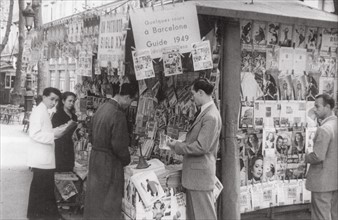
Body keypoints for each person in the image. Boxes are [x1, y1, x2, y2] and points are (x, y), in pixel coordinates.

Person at [167, 78, 222, 220]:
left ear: (201, 92)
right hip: (195, 177)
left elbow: (201, 147)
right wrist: (180, 142)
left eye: (193, 94)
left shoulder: (210, 116)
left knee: (204, 216)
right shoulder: (206, 112)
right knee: (194, 216)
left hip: (200, 177)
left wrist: (178, 146)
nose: (192, 98)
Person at [84, 82, 138, 220]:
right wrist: (127, 159)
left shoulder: (102, 108)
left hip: (96, 159)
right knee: (109, 200)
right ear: (126, 97)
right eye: (131, 100)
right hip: (109, 162)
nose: (129, 104)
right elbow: (119, 145)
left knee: (96, 198)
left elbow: (90, 134)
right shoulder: (118, 114)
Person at [27, 87, 77, 220]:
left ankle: (43, 214)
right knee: (41, 188)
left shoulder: (44, 111)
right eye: (52, 99)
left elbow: (45, 130)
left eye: (56, 100)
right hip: (41, 158)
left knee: (44, 188)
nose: (54, 102)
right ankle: (40, 215)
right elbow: (34, 134)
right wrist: (54, 135)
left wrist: (57, 131)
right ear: (44, 97)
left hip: (45, 157)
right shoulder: (39, 112)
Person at [305, 94, 337, 220]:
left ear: (328, 107)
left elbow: (318, 156)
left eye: (317, 106)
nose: (315, 110)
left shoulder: (324, 129)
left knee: (320, 216)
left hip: (322, 182)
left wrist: (306, 157)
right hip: (335, 181)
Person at [51, 92, 78, 172]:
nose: (71, 103)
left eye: (73, 101)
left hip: (70, 146)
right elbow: (54, 132)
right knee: (60, 170)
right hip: (60, 147)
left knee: (69, 168)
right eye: (69, 101)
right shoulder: (57, 115)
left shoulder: (74, 116)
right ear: (63, 101)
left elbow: (75, 133)